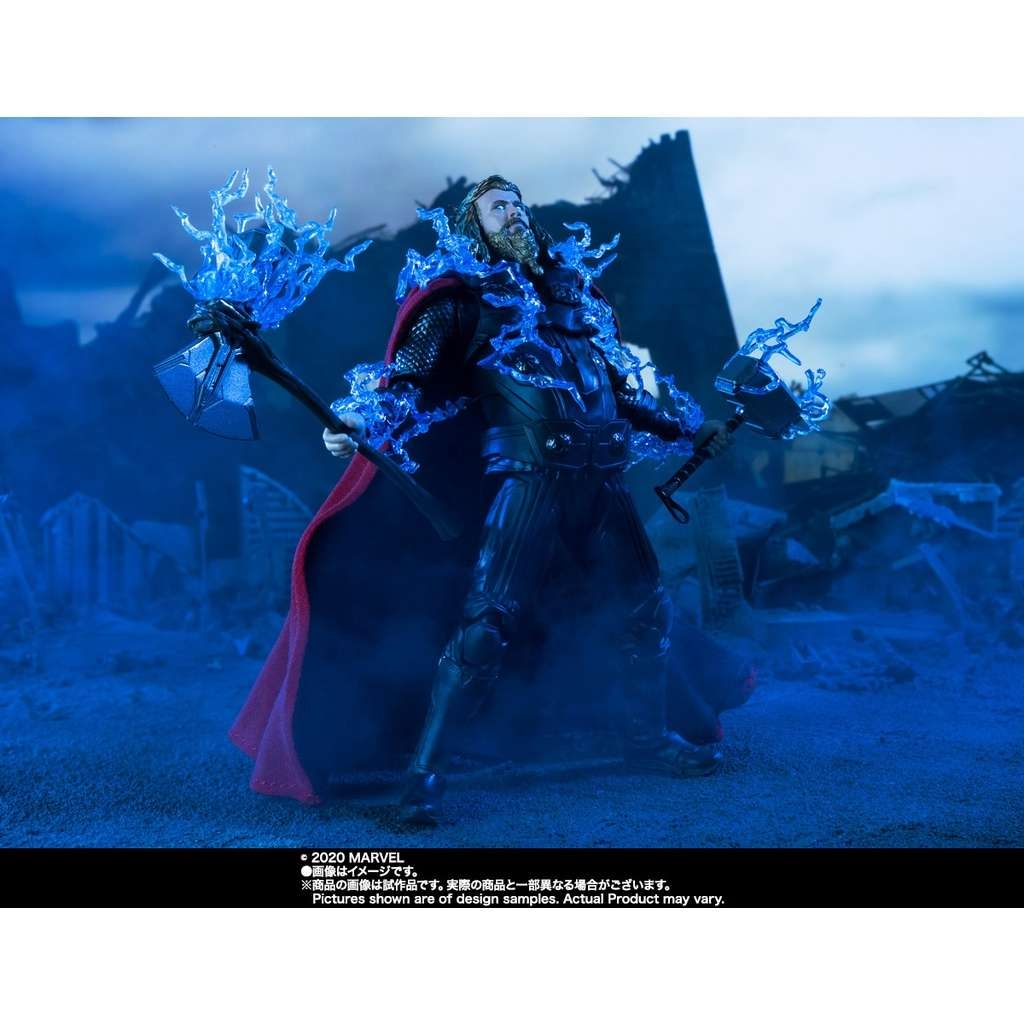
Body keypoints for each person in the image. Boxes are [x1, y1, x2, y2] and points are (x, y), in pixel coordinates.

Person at [319, 176, 734, 824]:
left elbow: (619, 393)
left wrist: (685, 429)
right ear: (474, 225)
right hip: (531, 480)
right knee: (486, 628)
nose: (511, 213)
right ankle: (423, 779)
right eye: (496, 207)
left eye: (516, 203)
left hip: (603, 483)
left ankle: (646, 738)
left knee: (645, 612)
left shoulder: (577, 299)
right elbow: (407, 385)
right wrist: (359, 423)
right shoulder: (462, 300)